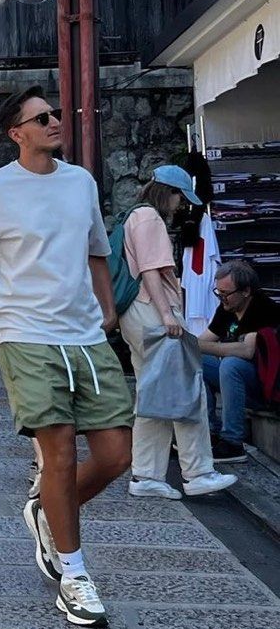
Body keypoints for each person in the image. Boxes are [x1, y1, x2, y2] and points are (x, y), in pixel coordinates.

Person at [0, 86, 133, 629]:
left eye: (55, 113)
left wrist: (107, 309)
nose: (55, 121)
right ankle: (73, 574)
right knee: (60, 456)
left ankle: (46, 512)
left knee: (117, 454)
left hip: (86, 337)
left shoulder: (81, 183)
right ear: (16, 133)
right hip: (26, 335)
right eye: (41, 117)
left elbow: (97, 250)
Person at [117, 167, 237, 499]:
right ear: (169, 192)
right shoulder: (151, 220)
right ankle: (198, 471)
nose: (181, 206)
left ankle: (146, 475)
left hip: (135, 313)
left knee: (152, 394)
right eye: (180, 198)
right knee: (189, 390)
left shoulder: (133, 216)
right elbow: (151, 271)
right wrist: (168, 314)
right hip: (154, 312)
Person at [200, 260, 280, 462]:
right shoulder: (227, 308)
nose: (221, 298)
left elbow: (246, 350)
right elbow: (201, 342)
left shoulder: (264, 309)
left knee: (231, 363)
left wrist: (197, 346)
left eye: (226, 293)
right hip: (239, 382)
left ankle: (233, 442)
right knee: (197, 361)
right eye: (218, 292)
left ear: (246, 291)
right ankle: (209, 432)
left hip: (265, 388)